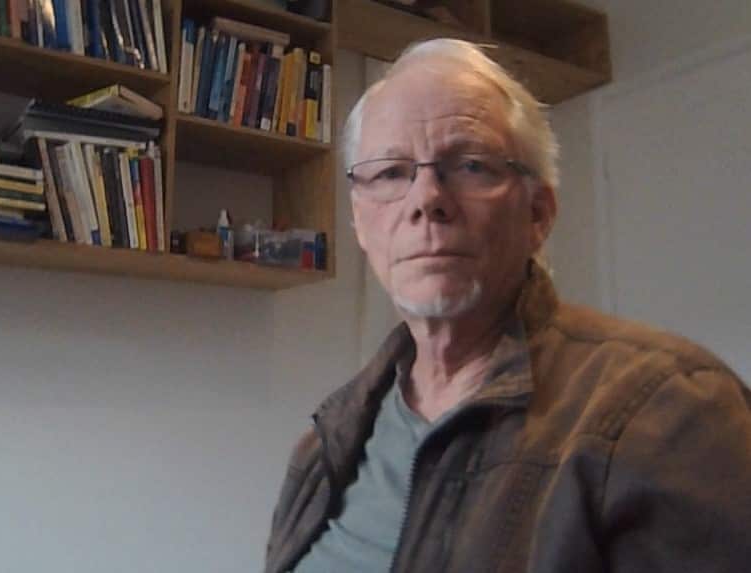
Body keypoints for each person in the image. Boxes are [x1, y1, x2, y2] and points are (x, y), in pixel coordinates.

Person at [264, 39, 751, 573]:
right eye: (389, 173)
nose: (426, 199)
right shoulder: (325, 442)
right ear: (358, 221)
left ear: (539, 214)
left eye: (470, 164)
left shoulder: (669, 408)